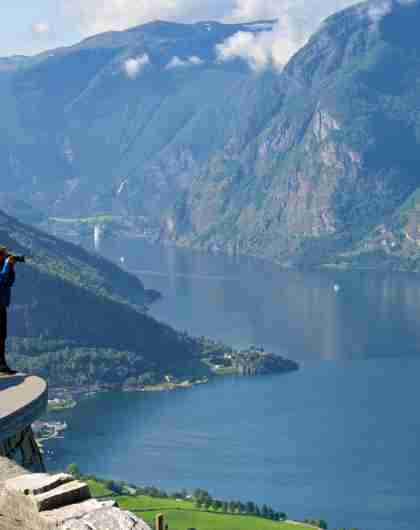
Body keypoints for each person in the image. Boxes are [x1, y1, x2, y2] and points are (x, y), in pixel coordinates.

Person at [0, 246, 16, 375]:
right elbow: (1, 280)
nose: (6, 256)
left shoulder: (4, 266)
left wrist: (11, 267)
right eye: (4, 254)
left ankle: (2, 364)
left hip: (2, 305)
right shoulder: (2, 267)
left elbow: (9, 281)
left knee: (2, 336)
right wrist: (6, 265)